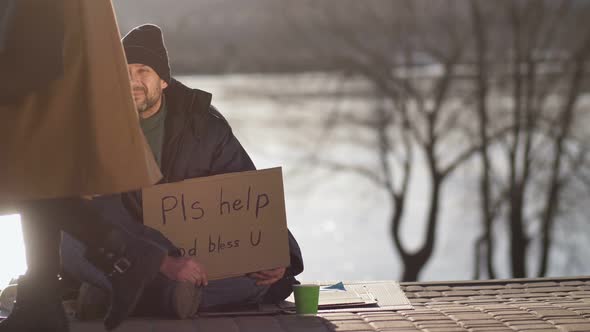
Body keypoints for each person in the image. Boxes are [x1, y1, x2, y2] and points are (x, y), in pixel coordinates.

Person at [61, 24, 304, 319]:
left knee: (267, 281)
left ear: (163, 80)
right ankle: (158, 297)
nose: (133, 81)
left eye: (143, 72)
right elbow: (95, 213)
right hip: (120, 250)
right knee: (71, 243)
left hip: (190, 255)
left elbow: (248, 194)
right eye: (125, 72)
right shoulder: (95, 129)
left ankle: (113, 298)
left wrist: (275, 255)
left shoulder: (205, 127)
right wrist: (162, 262)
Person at [0, 1, 170, 332]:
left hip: (46, 42)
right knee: (36, 171)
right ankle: (42, 298)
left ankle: (126, 254)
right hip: (59, 50)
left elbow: (36, 55)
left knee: (25, 169)